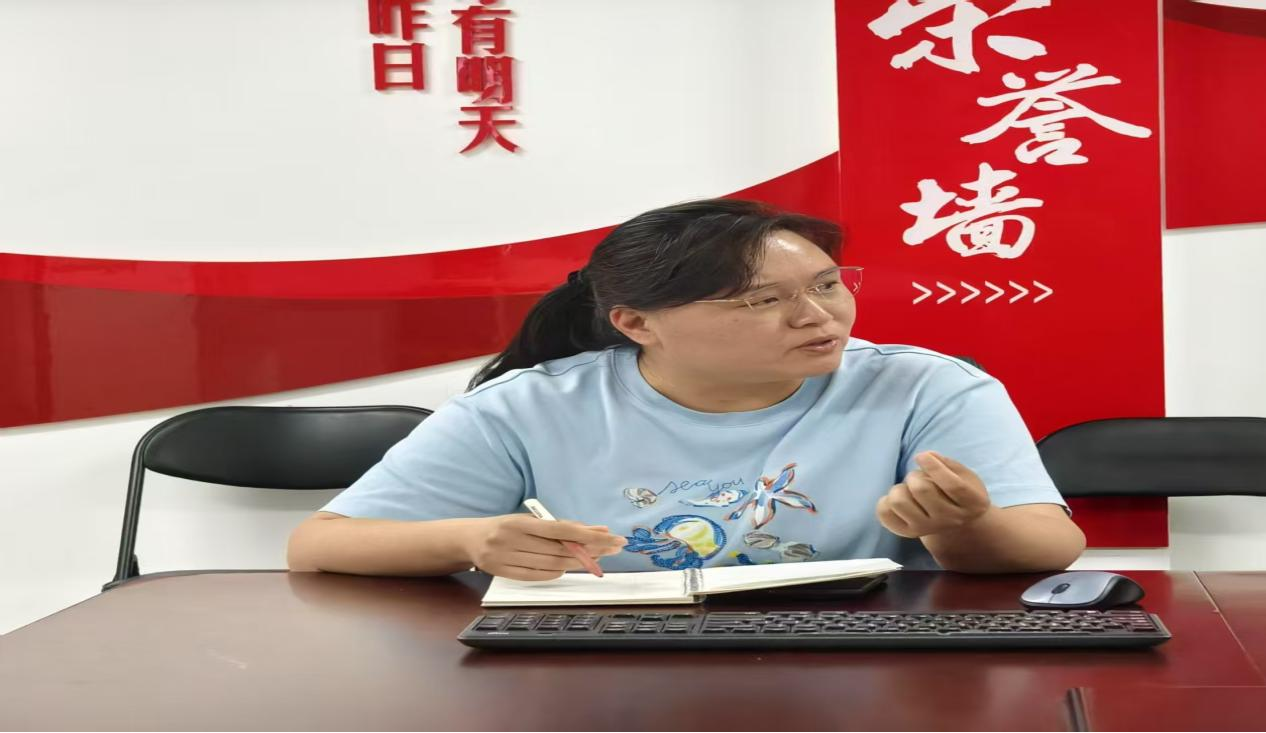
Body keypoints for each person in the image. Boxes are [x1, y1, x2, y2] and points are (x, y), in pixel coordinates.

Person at [287, 199, 1085, 580]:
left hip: (850, 652)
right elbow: (320, 545)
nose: (821, 317)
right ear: (638, 323)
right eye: (762, 301)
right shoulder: (532, 405)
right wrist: (469, 539)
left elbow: (1049, 547)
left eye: (828, 283)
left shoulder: (924, 386)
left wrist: (960, 526)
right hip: (598, 668)